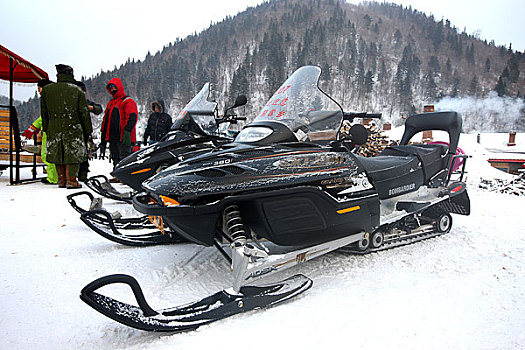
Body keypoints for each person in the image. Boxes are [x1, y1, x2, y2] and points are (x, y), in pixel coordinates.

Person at [40, 64, 92, 189]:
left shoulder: (47, 90)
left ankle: (61, 180)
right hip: (73, 126)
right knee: (72, 153)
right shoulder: (76, 90)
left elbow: (44, 112)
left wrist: (46, 128)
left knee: (58, 153)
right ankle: (72, 180)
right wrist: (87, 129)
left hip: (54, 126)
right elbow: (83, 112)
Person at [22, 79, 58, 185]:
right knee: (47, 154)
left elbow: (45, 117)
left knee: (47, 154)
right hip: (49, 130)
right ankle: (54, 176)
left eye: (39, 88)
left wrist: (33, 128)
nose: (38, 91)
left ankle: (53, 178)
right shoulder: (51, 99)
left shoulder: (50, 100)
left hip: (49, 130)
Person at [99, 78, 138, 172]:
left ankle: (126, 175)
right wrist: (103, 137)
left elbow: (132, 116)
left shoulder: (127, 101)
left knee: (124, 157)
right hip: (112, 136)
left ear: (119, 87)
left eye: (114, 87)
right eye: (111, 88)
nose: (112, 89)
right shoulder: (110, 104)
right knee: (115, 157)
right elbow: (105, 121)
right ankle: (117, 174)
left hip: (123, 136)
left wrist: (127, 131)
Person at [75, 81, 102, 182]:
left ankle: (82, 174)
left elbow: (99, 109)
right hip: (76, 131)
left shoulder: (85, 102)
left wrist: (92, 108)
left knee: (83, 154)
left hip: (83, 131)